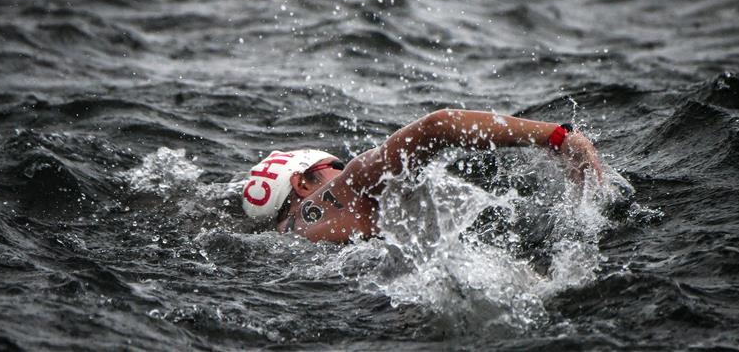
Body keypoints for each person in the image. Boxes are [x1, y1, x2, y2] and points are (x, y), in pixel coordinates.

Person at [241, 109, 603, 244]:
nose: (343, 168)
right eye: (334, 165)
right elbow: (437, 125)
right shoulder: (345, 189)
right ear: (302, 182)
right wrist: (558, 137)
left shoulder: (286, 234)